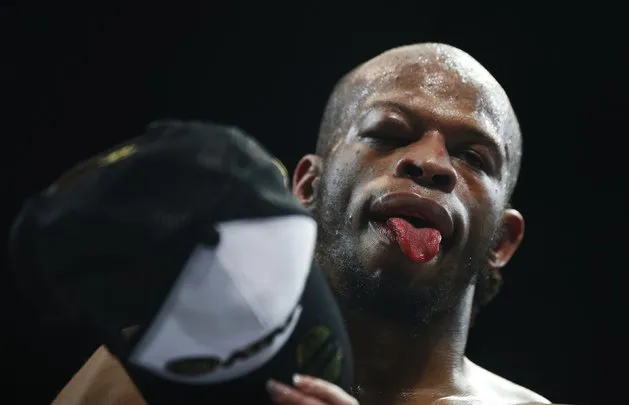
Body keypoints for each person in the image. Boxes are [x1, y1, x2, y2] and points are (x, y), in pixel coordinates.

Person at [50, 43, 558, 404]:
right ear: (309, 187)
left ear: (504, 241)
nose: (430, 163)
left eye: (473, 157)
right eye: (388, 134)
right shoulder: (155, 378)